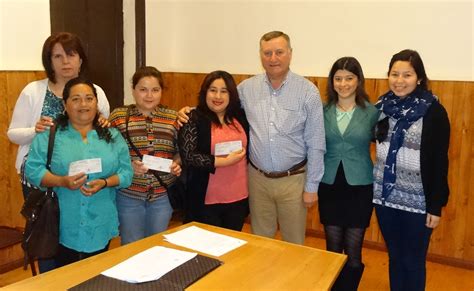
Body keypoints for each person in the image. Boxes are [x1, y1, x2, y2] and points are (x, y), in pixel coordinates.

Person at [179, 31, 325, 244]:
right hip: (257, 180)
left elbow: (316, 143)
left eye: (279, 52)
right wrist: (190, 112)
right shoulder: (247, 89)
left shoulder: (307, 92)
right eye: (267, 53)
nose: (273, 58)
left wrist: (312, 187)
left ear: (290, 54)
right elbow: (219, 103)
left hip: (294, 180)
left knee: (294, 244)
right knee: (260, 242)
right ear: (260, 56)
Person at [7, 32, 110, 273]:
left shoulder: (96, 91)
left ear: (81, 59)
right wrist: (35, 129)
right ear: (48, 61)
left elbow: (103, 127)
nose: (66, 61)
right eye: (58, 56)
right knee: (49, 233)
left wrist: (106, 123)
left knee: (80, 231)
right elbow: (13, 133)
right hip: (41, 176)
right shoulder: (33, 91)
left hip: (83, 176)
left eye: (71, 54)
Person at [25, 77, 133, 269]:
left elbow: (126, 173)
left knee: (94, 275)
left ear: (96, 103)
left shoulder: (113, 136)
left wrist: (106, 182)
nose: (83, 104)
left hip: (101, 221)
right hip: (62, 224)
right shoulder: (49, 134)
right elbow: (32, 170)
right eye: (75, 99)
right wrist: (61, 181)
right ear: (65, 105)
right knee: (63, 277)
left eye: (89, 98)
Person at [373, 49, 450, 291]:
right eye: (394, 74)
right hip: (385, 199)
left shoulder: (433, 111)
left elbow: (440, 162)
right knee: (395, 257)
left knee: (413, 261)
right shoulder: (381, 107)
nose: (399, 80)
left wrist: (435, 206)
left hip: (417, 201)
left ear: (419, 78)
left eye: (407, 74)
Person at [318, 57, 378, 290]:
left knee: (353, 250)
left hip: (360, 186)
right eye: (338, 78)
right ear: (332, 81)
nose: (343, 84)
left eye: (349, 78)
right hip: (329, 184)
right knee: (333, 248)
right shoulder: (322, 111)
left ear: (359, 81)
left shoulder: (373, 112)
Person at [109, 66, 182, 245]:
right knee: (130, 245)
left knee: (157, 245)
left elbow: (181, 151)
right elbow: (109, 154)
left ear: (161, 92)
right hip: (129, 195)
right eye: (143, 89)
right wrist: (128, 165)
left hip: (162, 195)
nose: (149, 95)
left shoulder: (173, 118)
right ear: (133, 90)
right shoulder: (119, 116)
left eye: (155, 90)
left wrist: (176, 164)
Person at [178, 70, 249, 231]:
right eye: (213, 90)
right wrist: (223, 162)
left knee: (232, 246)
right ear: (205, 93)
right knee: (206, 250)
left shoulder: (241, 117)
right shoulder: (192, 118)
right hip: (206, 199)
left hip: (238, 197)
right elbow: (188, 156)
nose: (218, 96)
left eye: (224, 91)